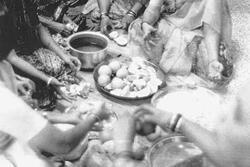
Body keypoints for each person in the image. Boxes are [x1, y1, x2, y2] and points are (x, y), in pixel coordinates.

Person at [2, 0, 82, 110]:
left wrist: (64, 56)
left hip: (27, 47)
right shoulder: (3, 14)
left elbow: (39, 28)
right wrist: (47, 79)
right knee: (37, 87)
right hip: (8, 57)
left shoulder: (24, 3)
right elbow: (12, 57)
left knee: (57, 67)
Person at [129, 0, 233, 82]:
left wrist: (213, 60)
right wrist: (146, 24)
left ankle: (196, 61)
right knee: (137, 28)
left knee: (220, 67)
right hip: (170, 24)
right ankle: (177, 59)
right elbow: (154, 8)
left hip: (198, 32)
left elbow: (211, 29)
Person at [81, 0, 148, 34]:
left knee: (136, 27)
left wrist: (132, 13)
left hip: (138, 4)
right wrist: (104, 15)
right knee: (96, 15)